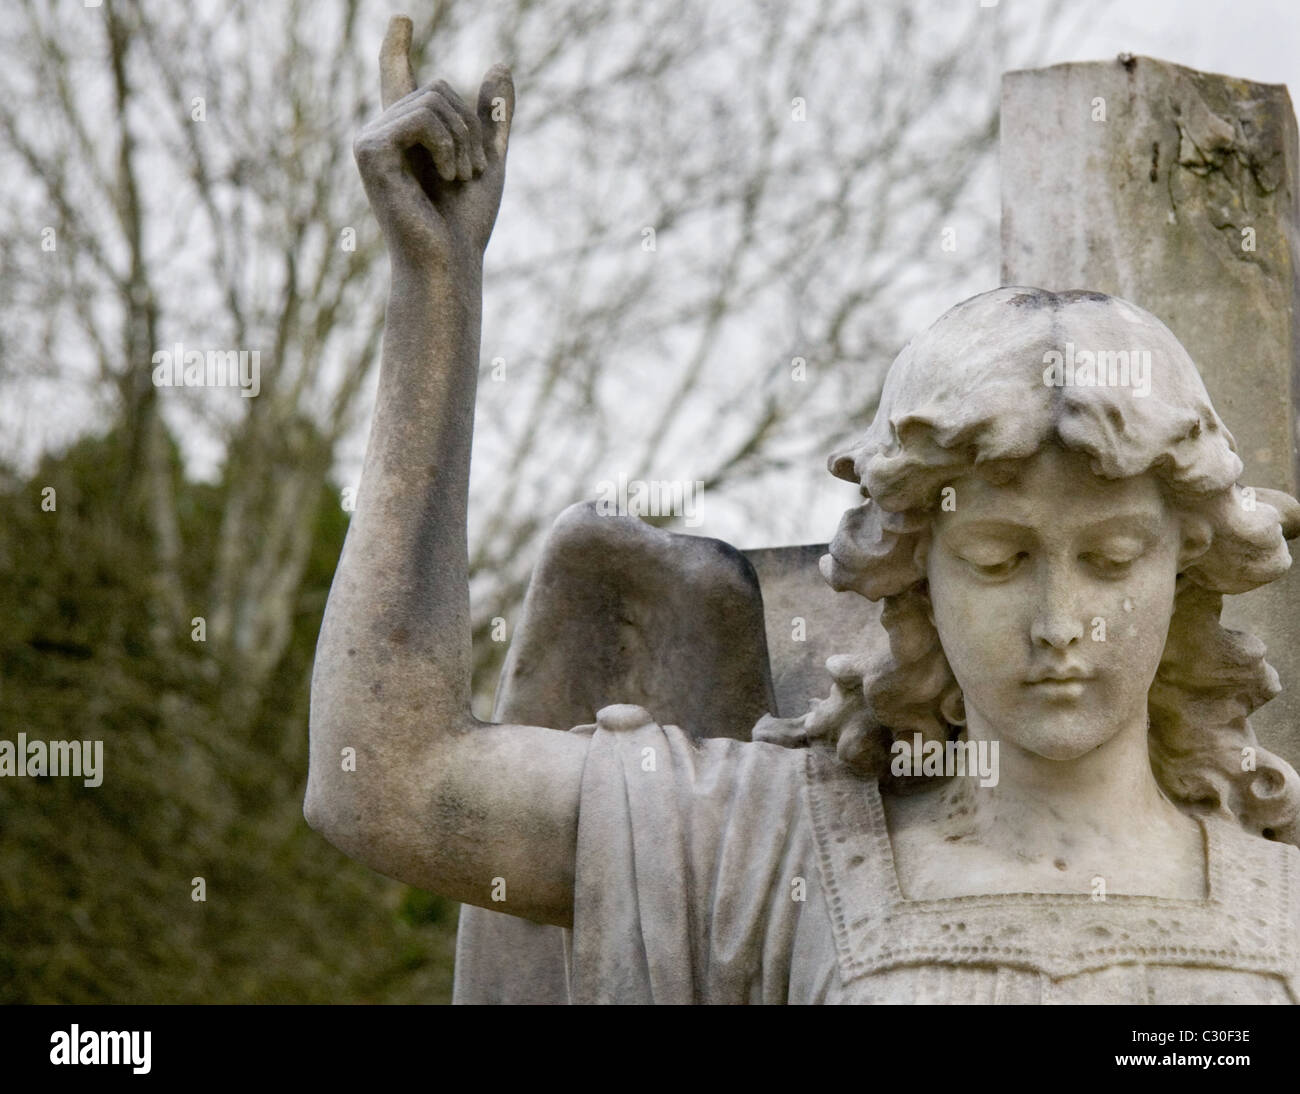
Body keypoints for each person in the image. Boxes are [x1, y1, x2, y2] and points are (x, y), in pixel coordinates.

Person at [305, 17, 1300, 1003]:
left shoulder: (1282, 909)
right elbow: (390, 780)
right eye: (997, 559)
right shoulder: (771, 848)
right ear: (915, 573)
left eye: (1114, 556)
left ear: (1189, 564)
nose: (1057, 622)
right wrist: (435, 291)